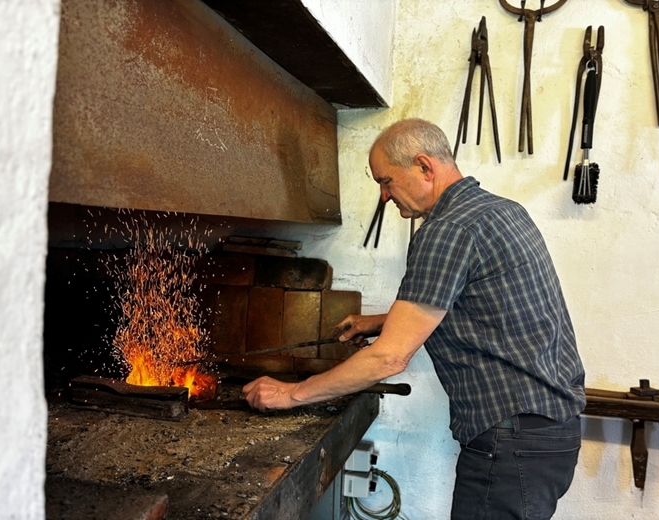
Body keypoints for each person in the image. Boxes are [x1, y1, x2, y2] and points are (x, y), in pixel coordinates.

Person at [243, 118, 586, 520]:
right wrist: (381, 320)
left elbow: (388, 359)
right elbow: (482, 303)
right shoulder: (499, 211)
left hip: (512, 442)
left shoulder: (447, 230)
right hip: (549, 432)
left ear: (424, 167)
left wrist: (290, 393)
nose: (385, 196)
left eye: (386, 181)